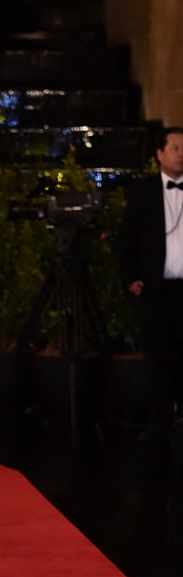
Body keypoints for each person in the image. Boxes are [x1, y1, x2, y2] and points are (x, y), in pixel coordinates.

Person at [117, 126, 183, 441]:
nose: (181, 154)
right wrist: (129, 277)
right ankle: (159, 424)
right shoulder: (143, 192)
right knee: (158, 357)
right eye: (175, 147)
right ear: (159, 154)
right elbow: (126, 238)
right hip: (158, 290)